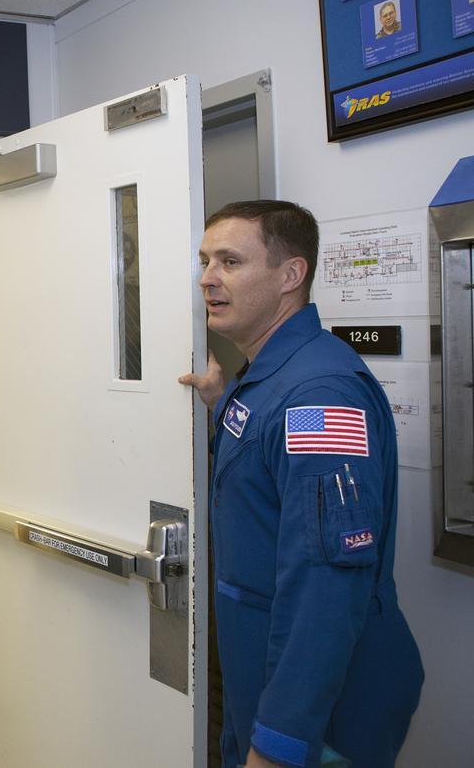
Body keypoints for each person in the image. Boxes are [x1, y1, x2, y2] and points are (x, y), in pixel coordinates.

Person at [179, 202, 422, 768]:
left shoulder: (318, 393)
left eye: (230, 261)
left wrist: (280, 742)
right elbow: (270, 476)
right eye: (205, 261)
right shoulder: (270, 376)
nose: (207, 278)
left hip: (318, 708)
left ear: (291, 276)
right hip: (260, 677)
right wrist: (222, 407)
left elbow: (326, 587)